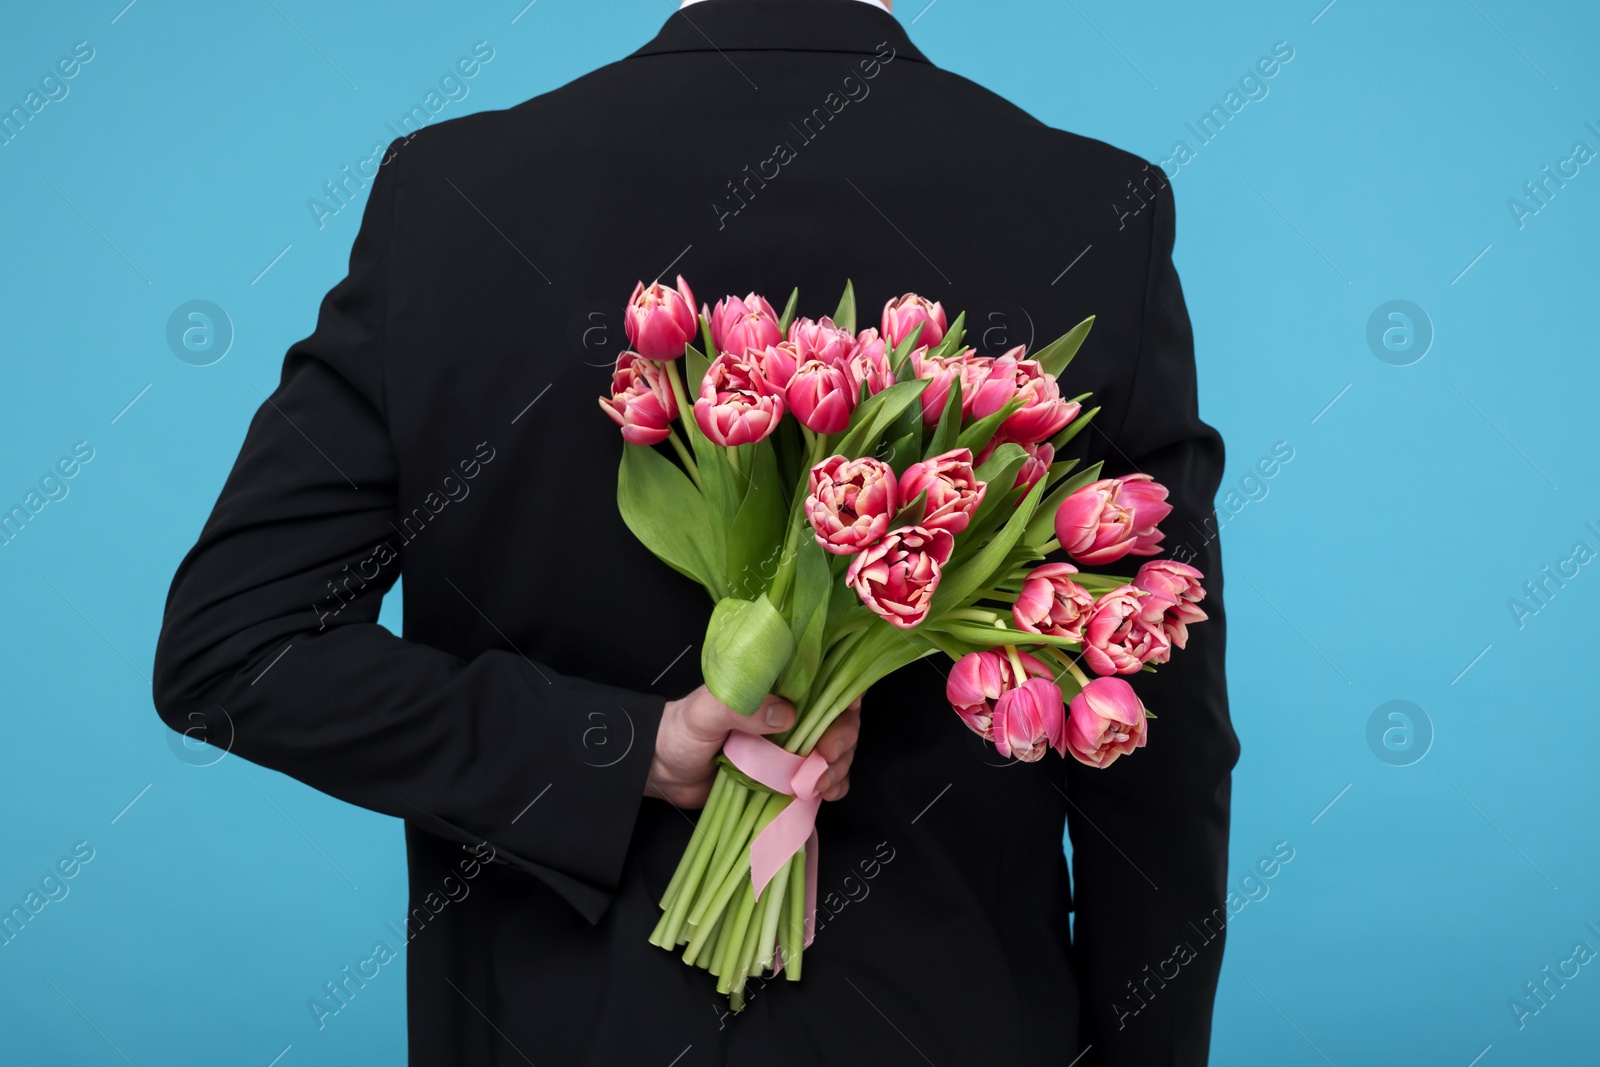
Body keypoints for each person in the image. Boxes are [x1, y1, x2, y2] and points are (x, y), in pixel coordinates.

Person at [153, 0, 1238, 1062]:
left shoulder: (453, 196)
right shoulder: (1092, 208)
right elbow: (1160, 760)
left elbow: (236, 647)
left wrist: (614, 749)